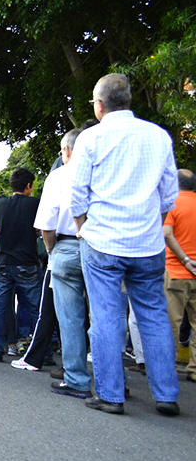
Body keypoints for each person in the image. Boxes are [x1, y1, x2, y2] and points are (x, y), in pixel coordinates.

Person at [71, 72, 180, 415]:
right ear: (128, 100)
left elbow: (77, 196)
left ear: (99, 105)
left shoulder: (90, 139)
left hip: (102, 238)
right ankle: (166, 394)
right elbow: (169, 196)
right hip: (147, 244)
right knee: (154, 315)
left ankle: (111, 395)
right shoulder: (158, 136)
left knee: (106, 316)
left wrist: (82, 226)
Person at [19, 130, 95, 400]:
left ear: (66, 151)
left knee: (71, 318)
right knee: (103, 317)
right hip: (102, 245)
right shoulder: (103, 170)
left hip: (66, 246)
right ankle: (112, 379)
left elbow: (46, 226)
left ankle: (76, 379)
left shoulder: (60, 175)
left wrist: (53, 251)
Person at [0, 168, 41, 362]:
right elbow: (38, 231)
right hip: (27, 262)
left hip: (2, 263)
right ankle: (43, 351)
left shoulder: (0, 205)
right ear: (28, 186)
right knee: (35, 307)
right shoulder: (35, 204)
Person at [163, 170, 196, 384]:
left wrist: (184, 259)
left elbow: (166, 233)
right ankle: (194, 369)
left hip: (175, 272)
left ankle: (169, 367)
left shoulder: (171, 204)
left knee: (171, 323)